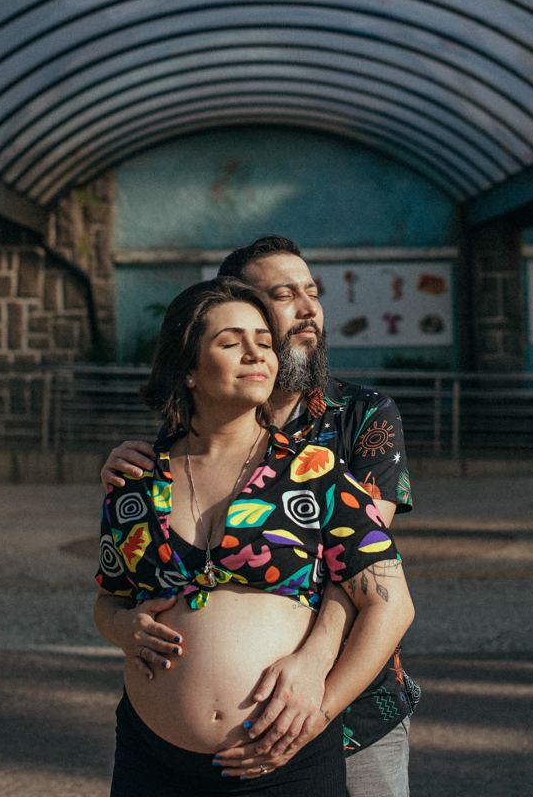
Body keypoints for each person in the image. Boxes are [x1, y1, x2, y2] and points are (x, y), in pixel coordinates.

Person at [101, 237, 417, 794]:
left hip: (329, 714)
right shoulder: (147, 471)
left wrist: (316, 685)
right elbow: (113, 596)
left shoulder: (334, 446)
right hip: (153, 754)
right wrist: (123, 627)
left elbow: (370, 588)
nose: (307, 307)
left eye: (312, 292)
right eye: (283, 295)